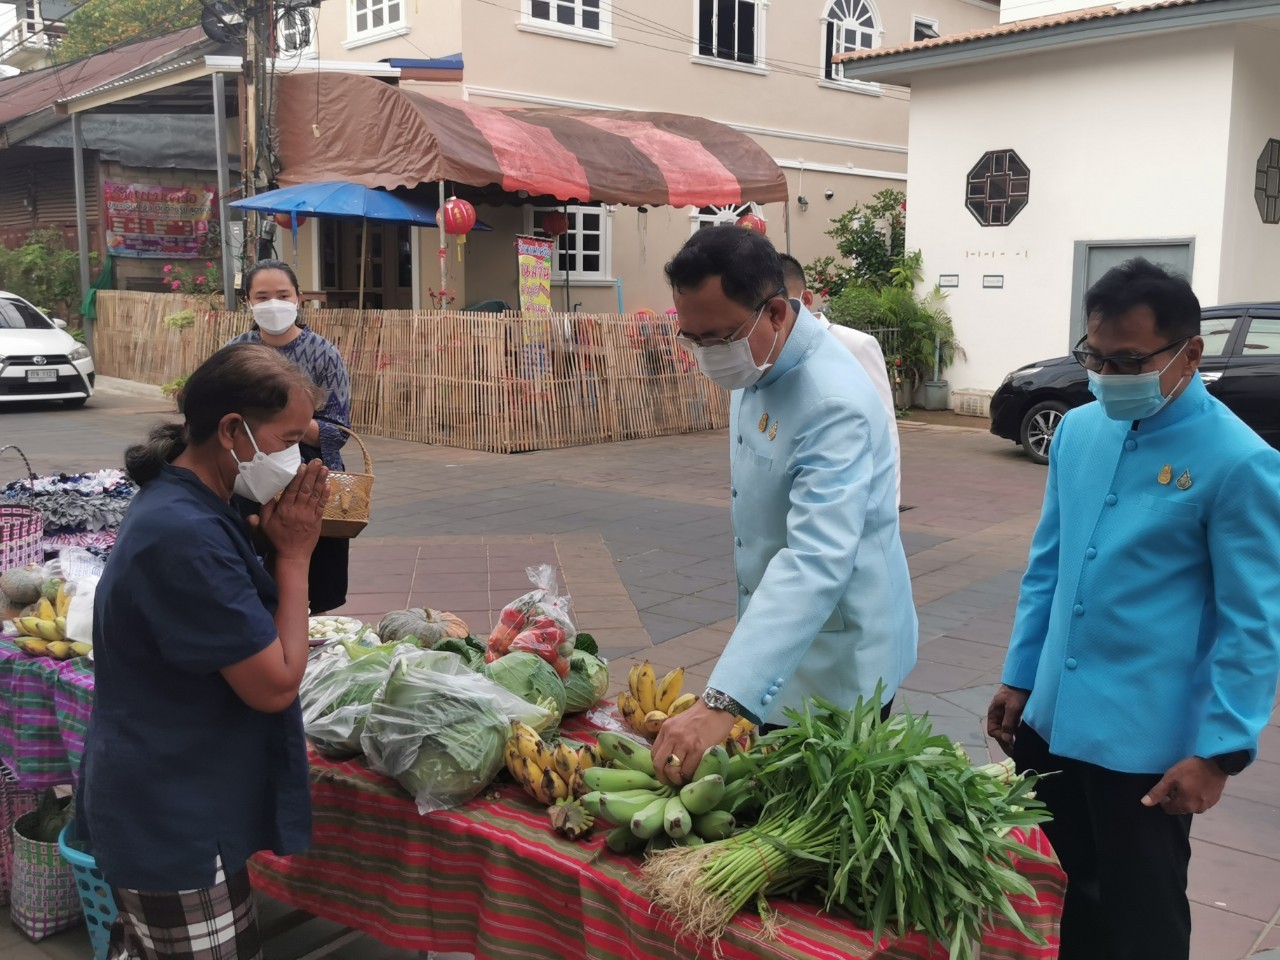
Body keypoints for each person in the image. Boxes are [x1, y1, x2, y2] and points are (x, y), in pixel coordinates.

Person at [985, 258, 1280, 960]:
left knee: (1141, 920)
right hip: (1051, 721)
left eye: (1129, 361)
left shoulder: (1238, 461)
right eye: (1096, 357)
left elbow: (1254, 624)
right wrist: (1020, 676)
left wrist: (1220, 752)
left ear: (1190, 354)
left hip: (1146, 747)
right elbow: (1049, 566)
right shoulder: (1080, 431)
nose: (1108, 376)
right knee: (1053, 898)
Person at [78, 344, 330, 959]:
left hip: (180, 787)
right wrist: (295, 555)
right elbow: (274, 685)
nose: (298, 458)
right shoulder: (184, 533)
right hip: (170, 809)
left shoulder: (196, 503)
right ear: (232, 430)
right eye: (288, 439)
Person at [652, 226, 917, 785]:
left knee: (827, 811)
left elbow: (816, 560)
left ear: (774, 312)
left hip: (839, 663)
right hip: (779, 642)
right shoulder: (757, 360)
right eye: (692, 340)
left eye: (718, 338)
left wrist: (721, 701)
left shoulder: (832, 402)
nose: (708, 357)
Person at [228, 260, 353, 614]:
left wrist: (279, 424)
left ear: (298, 298)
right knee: (253, 585)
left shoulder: (323, 353)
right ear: (248, 302)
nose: (273, 304)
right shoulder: (235, 353)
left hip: (311, 483)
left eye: (282, 295)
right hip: (249, 481)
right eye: (262, 296)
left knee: (315, 592)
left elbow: (337, 432)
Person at [779, 253, 901, 508]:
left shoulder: (855, 345)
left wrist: (889, 504)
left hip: (850, 493)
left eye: (783, 307)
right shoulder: (771, 354)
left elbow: (885, 431)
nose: (777, 318)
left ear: (806, 299)